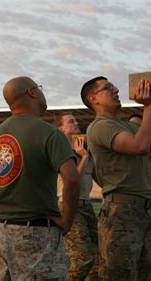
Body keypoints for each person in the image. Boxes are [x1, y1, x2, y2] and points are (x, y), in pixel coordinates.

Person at [0, 76, 80, 280]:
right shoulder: (51, 134)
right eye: (40, 88)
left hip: (0, 231)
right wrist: (67, 221)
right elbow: (72, 179)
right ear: (32, 92)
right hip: (37, 234)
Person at [80, 76, 151, 280]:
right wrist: (148, 107)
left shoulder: (131, 127)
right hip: (121, 211)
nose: (116, 90)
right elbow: (139, 146)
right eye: (108, 88)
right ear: (94, 98)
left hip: (145, 209)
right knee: (119, 275)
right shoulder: (100, 126)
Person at [54, 112, 99, 280]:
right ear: (61, 128)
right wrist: (84, 157)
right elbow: (73, 182)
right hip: (69, 206)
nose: (77, 123)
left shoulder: (85, 150)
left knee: (99, 257)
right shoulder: (61, 150)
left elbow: (99, 178)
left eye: (76, 121)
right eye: (71, 122)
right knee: (83, 258)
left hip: (86, 205)